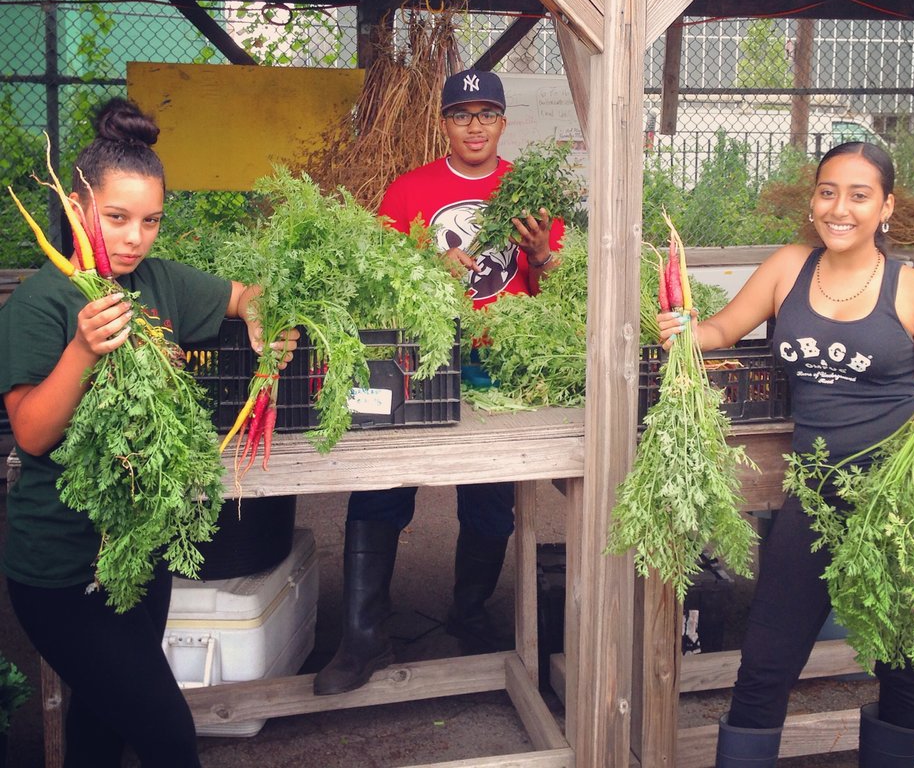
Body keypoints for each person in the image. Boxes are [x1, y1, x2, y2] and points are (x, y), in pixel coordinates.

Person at [0, 98, 297, 768]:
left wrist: (258, 313)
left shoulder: (157, 280)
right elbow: (31, 435)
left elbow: (241, 292)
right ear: (78, 210)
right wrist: (81, 351)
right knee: (167, 735)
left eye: (151, 221)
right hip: (61, 571)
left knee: (101, 726)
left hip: (138, 557)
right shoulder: (41, 302)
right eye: (118, 218)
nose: (136, 237)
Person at [658, 142, 914, 768]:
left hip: (904, 505)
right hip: (815, 496)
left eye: (859, 195)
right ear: (814, 200)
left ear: (886, 208)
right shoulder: (789, 267)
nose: (840, 207)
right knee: (766, 661)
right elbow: (723, 330)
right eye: (828, 192)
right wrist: (688, 328)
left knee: (904, 663)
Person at [313, 67, 565, 695]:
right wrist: (425, 265)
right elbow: (371, 282)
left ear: (503, 122)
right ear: (444, 123)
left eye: (486, 113)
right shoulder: (408, 190)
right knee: (380, 486)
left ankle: (469, 612)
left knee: (489, 499)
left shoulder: (527, 191)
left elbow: (557, 295)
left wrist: (539, 257)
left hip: (499, 365)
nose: (474, 125)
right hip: (417, 356)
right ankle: (363, 634)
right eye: (461, 114)